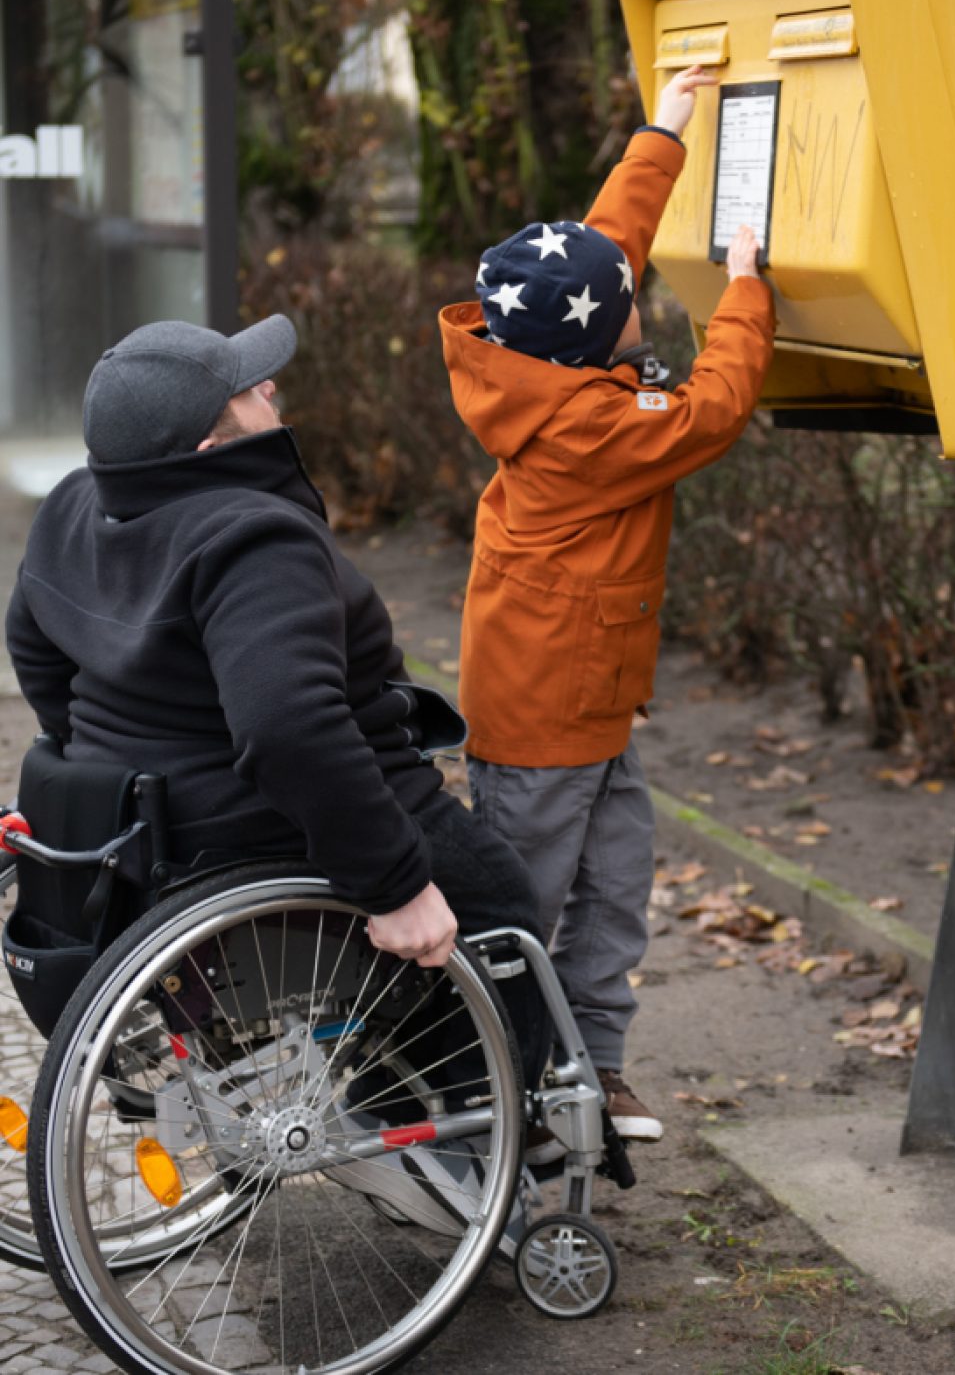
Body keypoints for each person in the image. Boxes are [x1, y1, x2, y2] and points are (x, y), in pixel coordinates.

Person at [3, 317, 549, 1097]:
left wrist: (96, 742)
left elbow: (33, 640)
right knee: (495, 895)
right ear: (209, 451)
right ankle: (449, 1127)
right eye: (246, 390)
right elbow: (289, 729)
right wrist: (396, 885)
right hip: (256, 819)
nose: (269, 387)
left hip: (133, 817)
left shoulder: (74, 505)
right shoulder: (253, 538)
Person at [440, 65, 775, 1154]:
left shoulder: (544, 353)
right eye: (626, 297)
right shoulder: (592, 430)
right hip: (543, 716)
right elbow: (714, 410)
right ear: (590, 338)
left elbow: (601, 245)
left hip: (593, 698)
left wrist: (661, 129)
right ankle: (487, 1088)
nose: (636, 289)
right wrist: (744, 287)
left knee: (615, 888)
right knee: (523, 911)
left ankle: (592, 1065)